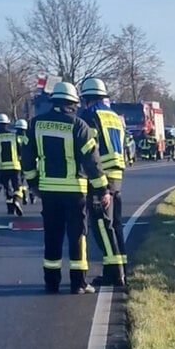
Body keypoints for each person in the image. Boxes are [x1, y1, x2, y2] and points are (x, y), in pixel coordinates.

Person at [21, 82, 111, 294]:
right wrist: (102, 189)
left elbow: (26, 157)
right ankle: (78, 283)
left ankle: (51, 282)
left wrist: (33, 183)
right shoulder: (79, 126)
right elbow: (93, 162)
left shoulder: (35, 124)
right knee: (77, 235)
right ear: (73, 103)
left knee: (52, 236)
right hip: (75, 192)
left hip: (48, 191)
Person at [78, 77, 128, 287]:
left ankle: (114, 273)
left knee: (101, 225)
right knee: (115, 224)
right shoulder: (114, 116)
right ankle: (122, 268)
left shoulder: (90, 116)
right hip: (117, 175)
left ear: (87, 98)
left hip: (101, 176)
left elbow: (90, 149)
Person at [0, 113, 26, 216]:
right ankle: (16, 200)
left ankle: (10, 209)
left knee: (7, 188)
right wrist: (23, 165)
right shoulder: (14, 136)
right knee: (18, 187)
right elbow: (20, 152)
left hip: (2, 167)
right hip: (15, 166)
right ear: (7, 124)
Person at [13, 119, 34, 204]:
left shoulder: (13, 137)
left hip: (17, 161)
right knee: (30, 179)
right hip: (27, 161)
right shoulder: (27, 138)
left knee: (20, 179)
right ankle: (32, 195)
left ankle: (23, 195)